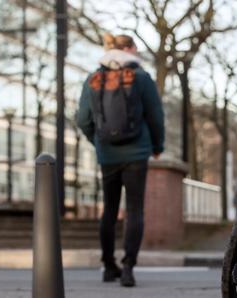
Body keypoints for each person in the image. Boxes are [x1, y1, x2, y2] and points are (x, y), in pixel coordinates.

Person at [76, 33, 165, 287]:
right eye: (135, 48)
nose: (137, 53)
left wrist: (98, 142)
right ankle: (128, 268)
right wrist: (157, 145)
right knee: (135, 209)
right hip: (137, 153)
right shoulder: (141, 77)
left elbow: (83, 119)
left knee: (110, 209)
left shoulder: (93, 79)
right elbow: (155, 116)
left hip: (108, 155)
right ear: (128, 48)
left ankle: (107, 266)